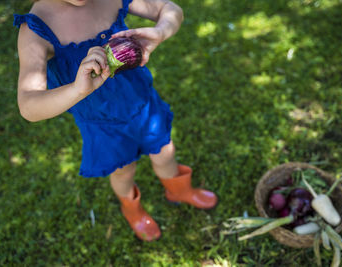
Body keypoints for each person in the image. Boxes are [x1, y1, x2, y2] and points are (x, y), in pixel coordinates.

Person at [14, 0, 217, 242]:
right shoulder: (36, 29)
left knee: (165, 151)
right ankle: (133, 209)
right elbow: (29, 105)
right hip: (102, 125)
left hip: (143, 104)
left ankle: (179, 190)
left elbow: (170, 9)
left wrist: (161, 31)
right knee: (123, 171)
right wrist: (77, 90)